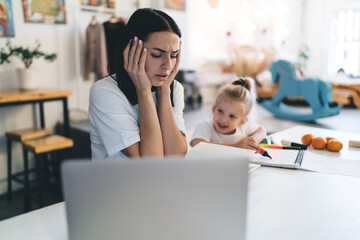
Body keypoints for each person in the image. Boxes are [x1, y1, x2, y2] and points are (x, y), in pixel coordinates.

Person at [89, 8, 187, 160]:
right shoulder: (104, 92)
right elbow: (151, 163)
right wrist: (144, 91)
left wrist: (164, 92)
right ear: (132, 50)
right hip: (117, 183)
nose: (168, 66)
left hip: (158, 182)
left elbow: (176, 155)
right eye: (157, 55)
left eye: (173, 55)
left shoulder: (174, 88)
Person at [190, 78, 266, 153]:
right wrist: (236, 146)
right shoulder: (205, 127)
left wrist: (254, 140)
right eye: (220, 111)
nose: (223, 120)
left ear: (242, 121)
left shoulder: (243, 128)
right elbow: (198, 145)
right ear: (214, 108)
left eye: (232, 116)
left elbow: (262, 130)